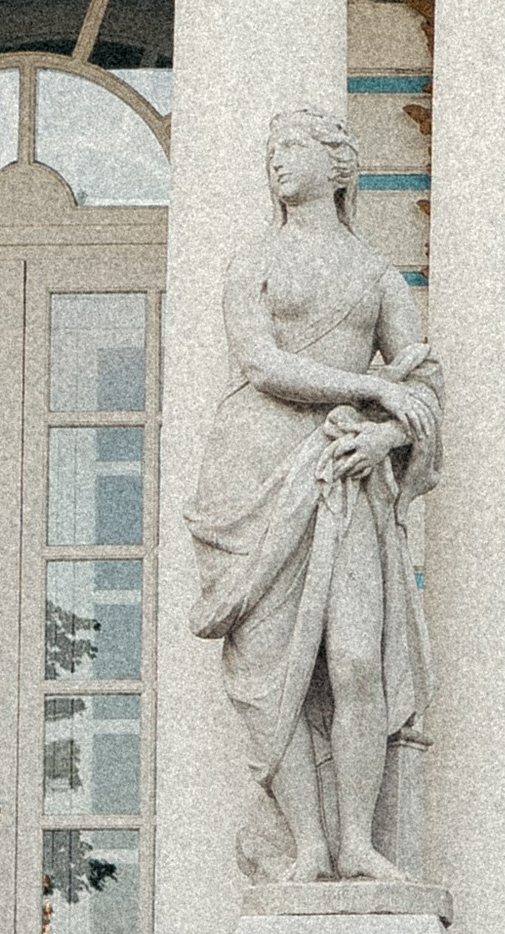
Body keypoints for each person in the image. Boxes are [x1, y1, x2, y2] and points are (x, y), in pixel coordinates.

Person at [187, 106, 443, 888]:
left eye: (293, 146)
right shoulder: (251, 261)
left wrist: (385, 438)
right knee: (275, 673)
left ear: (340, 167)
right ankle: (308, 844)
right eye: (271, 149)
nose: (277, 160)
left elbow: (426, 384)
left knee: (357, 661)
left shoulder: (377, 276)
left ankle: (359, 841)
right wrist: (371, 389)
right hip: (255, 468)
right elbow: (261, 364)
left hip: (346, 472)